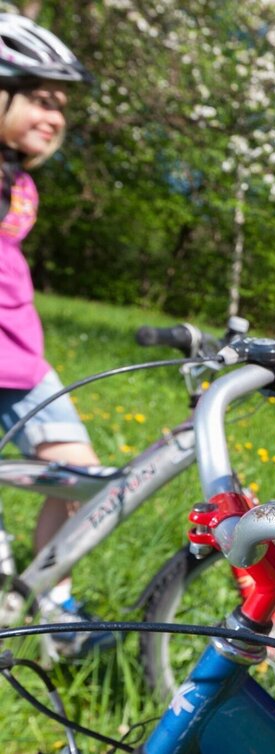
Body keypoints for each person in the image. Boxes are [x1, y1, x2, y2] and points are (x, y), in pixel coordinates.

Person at [0, 13, 108, 658]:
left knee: (81, 480)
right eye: (41, 99)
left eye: (60, 106)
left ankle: (49, 599)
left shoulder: (22, 187)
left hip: (24, 364)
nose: (55, 117)